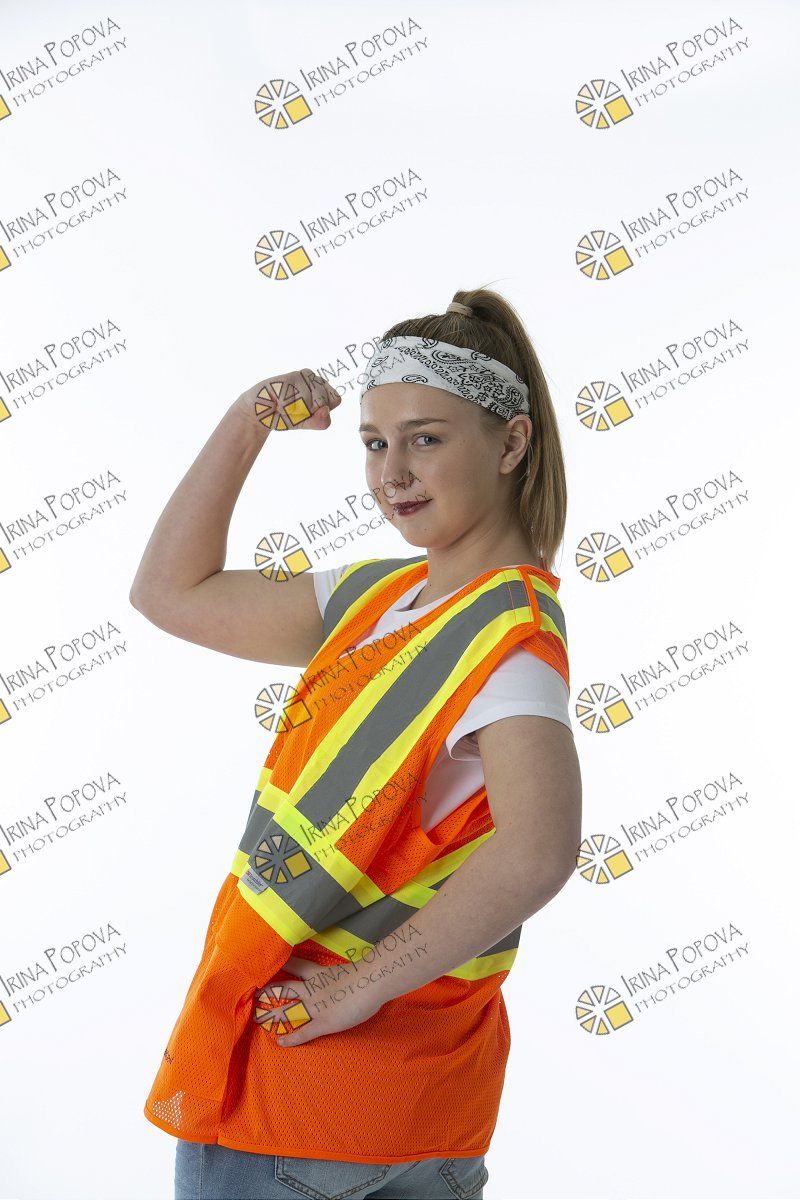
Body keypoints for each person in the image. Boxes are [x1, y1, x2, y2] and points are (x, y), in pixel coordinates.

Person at [129, 285, 583, 1200]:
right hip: (427, 1110)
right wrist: (249, 420)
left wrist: (357, 987)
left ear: (511, 443)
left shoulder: (507, 637)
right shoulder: (378, 599)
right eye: (375, 444)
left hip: (301, 1096)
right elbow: (169, 593)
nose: (393, 473)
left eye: (426, 438)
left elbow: (539, 850)